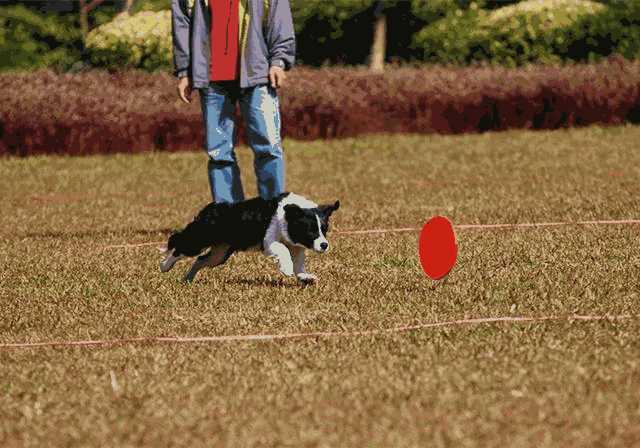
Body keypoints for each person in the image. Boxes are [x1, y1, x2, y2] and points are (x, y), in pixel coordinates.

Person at [171, 0, 295, 203]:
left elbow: (279, 16)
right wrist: (184, 71)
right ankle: (228, 218)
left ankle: (273, 212)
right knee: (219, 153)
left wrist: (279, 61)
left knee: (269, 148)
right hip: (211, 79)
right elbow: (181, 23)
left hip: (257, 73)